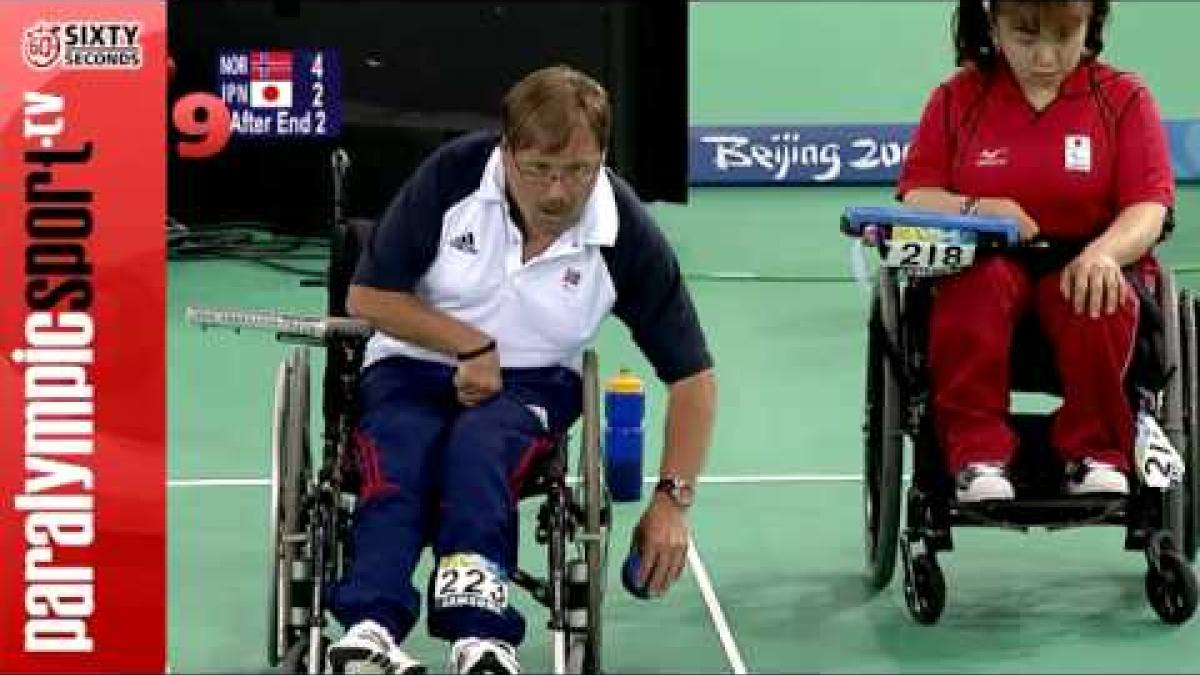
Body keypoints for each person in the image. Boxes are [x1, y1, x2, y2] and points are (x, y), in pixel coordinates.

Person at [325, 65, 717, 674]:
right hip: (412, 364)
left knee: (480, 451)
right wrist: (469, 345)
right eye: (539, 170)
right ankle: (370, 628)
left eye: (579, 171)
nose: (559, 193)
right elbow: (369, 298)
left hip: (533, 384)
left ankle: (481, 639)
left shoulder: (623, 231)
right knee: (401, 448)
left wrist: (672, 500)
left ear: (603, 158)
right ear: (505, 152)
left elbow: (693, 376)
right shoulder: (454, 176)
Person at [896, 0, 1175, 503]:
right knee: (970, 289)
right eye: (1025, 36)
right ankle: (976, 455)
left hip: (1087, 256)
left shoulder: (1123, 98)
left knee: (1098, 293)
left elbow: (1147, 209)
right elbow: (918, 194)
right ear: (993, 23)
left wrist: (1106, 254)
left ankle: (1096, 453)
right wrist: (978, 207)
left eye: (1065, 35)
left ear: (1091, 25)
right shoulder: (958, 97)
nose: (1045, 56)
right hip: (988, 259)